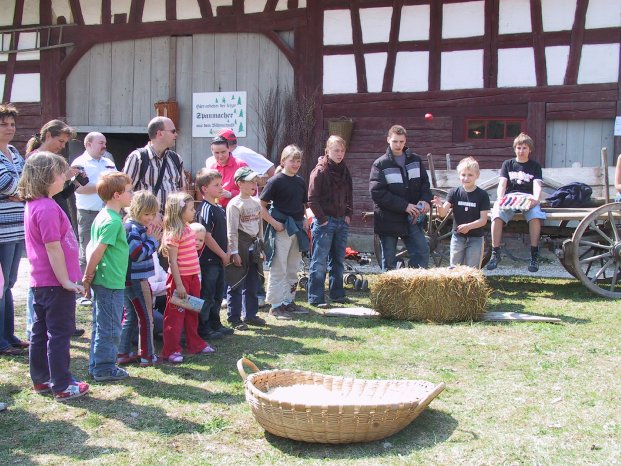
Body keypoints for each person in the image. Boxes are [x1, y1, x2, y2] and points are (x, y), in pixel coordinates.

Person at [17, 152, 89, 400]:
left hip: (42, 282)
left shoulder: (34, 203)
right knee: (59, 333)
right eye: (61, 173)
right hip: (55, 284)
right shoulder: (47, 207)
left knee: (40, 331)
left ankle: (41, 379)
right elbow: (52, 247)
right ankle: (61, 384)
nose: (64, 178)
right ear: (47, 176)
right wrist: (66, 281)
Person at [82, 171, 134, 382]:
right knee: (111, 327)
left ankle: (97, 364)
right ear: (116, 195)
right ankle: (104, 368)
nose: (132, 194)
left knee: (101, 324)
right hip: (110, 282)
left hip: (107, 280)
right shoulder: (112, 221)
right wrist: (87, 276)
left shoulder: (104, 216)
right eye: (129, 191)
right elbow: (96, 250)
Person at [160, 192, 215, 363]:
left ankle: (194, 343)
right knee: (175, 315)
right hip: (180, 281)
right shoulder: (174, 233)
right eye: (191, 209)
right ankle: (171, 350)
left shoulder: (189, 229)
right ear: (179, 210)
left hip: (193, 278)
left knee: (193, 312)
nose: (194, 212)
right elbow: (173, 261)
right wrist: (179, 285)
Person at [369, 125, 432, 270]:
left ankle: (415, 286)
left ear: (405, 141)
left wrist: (425, 199)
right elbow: (377, 193)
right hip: (388, 219)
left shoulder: (416, 160)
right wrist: (405, 206)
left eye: (401, 142)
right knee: (390, 261)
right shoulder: (380, 164)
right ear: (388, 140)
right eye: (395, 141)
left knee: (422, 252)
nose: (398, 145)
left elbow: (425, 184)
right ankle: (391, 292)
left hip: (412, 218)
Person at [260, 145, 309, 321]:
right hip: (281, 228)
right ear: (283, 161)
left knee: (293, 267)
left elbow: (303, 205)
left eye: (298, 161)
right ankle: (275, 305)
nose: (296, 164)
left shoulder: (300, 181)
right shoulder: (275, 181)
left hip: (296, 228)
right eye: (292, 160)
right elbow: (261, 206)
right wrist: (274, 223)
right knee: (279, 267)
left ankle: (289, 301)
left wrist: (304, 219)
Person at [487, 133, 546, 273]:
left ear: (529, 150)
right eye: (518, 147)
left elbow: (537, 185)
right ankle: (495, 253)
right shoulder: (508, 164)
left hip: (527, 197)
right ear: (515, 149)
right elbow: (502, 184)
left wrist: (536, 199)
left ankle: (534, 254)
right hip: (511, 197)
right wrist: (500, 198)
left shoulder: (535, 166)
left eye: (524, 148)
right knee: (496, 213)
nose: (521, 151)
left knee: (535, 215)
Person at [307, 135, 353, 308]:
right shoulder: (319, 171)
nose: (339, 154)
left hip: (342, 221)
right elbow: (312, 199)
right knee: (319, 261)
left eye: (342, 150)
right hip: (325, 222)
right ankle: (316, 297)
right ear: (327, 151)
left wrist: (349, 213)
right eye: (336, 150)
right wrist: (323, 220)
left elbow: (349, 193)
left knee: (338, 260)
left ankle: (337, 294)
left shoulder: (344, 170)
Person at [117, 191, 162, 368]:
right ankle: (147, 355)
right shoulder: (132, 228)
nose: (150, 218)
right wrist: (153, 241)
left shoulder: (136, 227)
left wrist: (150, 239)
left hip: (131, 279)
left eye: (153, 214)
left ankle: (122, 353)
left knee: (131, 317)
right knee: (146, 317)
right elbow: (137, 254)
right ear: (136, 210)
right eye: (146, 214)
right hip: (136, 279)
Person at [0, 103, 28, 355]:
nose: (10, 128)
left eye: (12, 124)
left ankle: (8, 334)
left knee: (10, 282)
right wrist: (14, 192)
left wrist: (15, 193)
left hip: (18, 225)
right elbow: (9, 185)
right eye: (4, 124)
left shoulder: (13, 152)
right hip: (2, 230)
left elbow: (26, 184)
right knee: (0, 284)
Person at [72, 132, 117, 280]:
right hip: (88, 214)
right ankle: (83, 290)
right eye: (100, 143)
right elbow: (79, 188)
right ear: (88, 144)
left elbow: (117, 183)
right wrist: (104, 186)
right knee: (87, 251)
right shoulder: (79, 163)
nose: (104, 146)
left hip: (108, 213)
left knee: (107, 251)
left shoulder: (108, 162)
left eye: (105, 143)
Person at [225, 167, 267, 329]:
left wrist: (261, 248)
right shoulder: (234, 204)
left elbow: (260, 227)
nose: (254, 184)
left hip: (254, 247)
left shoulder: (256, 203)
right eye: (250, 181)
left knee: (252, 282)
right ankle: (234, 317)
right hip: (240, 247)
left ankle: (250, 314)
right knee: (236, 282)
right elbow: (232, 231)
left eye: (255, 181)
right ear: (240, 183)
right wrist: (234, 252)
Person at [195, 168, 234, 340]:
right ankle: (204, 328)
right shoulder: (205, 208)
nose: (221, 187)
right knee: (207, 295)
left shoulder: (219, 207)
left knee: (218, 294)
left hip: (219, 258)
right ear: (204, 189)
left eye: (221, 183)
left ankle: (215, 323)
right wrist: (222, 254)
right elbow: (207, 235)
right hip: (209, 259)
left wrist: (227, 252)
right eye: (216, 185)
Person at [432, 157, 490, 268]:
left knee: (472, 270)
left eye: (470, 175)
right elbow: (443, 213)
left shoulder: (482, 195)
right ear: (459, 175)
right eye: (463, 175)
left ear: (477, 176)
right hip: (458, 237)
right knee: (454, 268)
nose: (466, 178)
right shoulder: (454, 192)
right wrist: (439, 206)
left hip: (476, 238)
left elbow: (483, 220)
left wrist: (469, 226)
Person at [123, 116, 185, 216]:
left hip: (172, 222)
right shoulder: (138, 157)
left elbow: (182, 190)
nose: (176, 134)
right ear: (160, 133)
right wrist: (150, 215)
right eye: (173, 131)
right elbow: (124, 192)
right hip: (147, 223)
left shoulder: (176, 158)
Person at [26, 120, 82, 221]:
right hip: (46, 215)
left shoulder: (54, 159)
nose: (63, 146)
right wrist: (65, 177)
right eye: (61, 141)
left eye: (65, 142)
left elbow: (59, 196)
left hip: (57, 212)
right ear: (48, 136)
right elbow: (39, 192)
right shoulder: (34, 158)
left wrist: (75, 183)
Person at [206, 128, 275, 187]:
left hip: (245, 199)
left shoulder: (244, 153)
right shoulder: (212, 161)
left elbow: (269, 167)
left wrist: (268, 190)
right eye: (217, 153)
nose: (220, 156)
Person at [205, 136, 247, 208]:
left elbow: (252, 191)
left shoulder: (241, 165)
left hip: (238, 209)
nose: (220, 156)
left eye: (223, 152)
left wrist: (231, 194)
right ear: (212, 152)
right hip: (218, 209)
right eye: (216, 153)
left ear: (229, 149)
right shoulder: (212, 168)